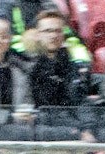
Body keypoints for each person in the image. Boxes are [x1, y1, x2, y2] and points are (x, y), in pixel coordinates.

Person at [0, 19, 78, 139]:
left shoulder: (17, 69)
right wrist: (8, 117)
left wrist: (25, 113)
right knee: (30, 134)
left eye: (4, 36)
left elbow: (26, 102)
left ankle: (80, 131)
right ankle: (74, 135)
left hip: (14, 127)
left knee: (45, 119)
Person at [24, 8, 95, 138]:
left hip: (71, 125)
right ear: (38, 34)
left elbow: (79, 101)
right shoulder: (28, 66)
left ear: (63, 35)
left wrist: (88, 128)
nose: (53, 35)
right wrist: (78, 131)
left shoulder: (70, 64)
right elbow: (43, 110)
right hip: (43, 127)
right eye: (48, 31)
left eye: (57, 31)